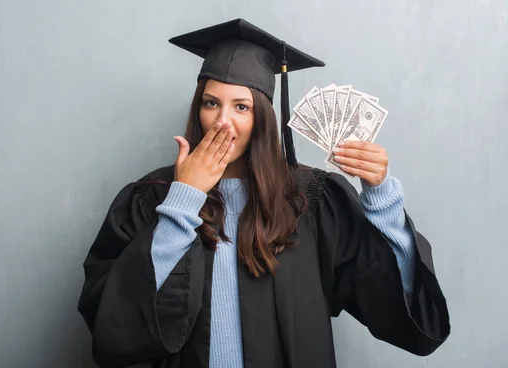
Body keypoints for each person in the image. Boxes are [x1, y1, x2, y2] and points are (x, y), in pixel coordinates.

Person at [77, 18, 450, 368]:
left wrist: (381, 200)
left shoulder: (312, 200)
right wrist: (184, 198)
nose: (223, 121)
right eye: (212, 103)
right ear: (198, 108)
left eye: (242, 106)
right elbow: (113, 325)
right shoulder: (153, 197)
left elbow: (389, 300)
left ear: (264, 116)